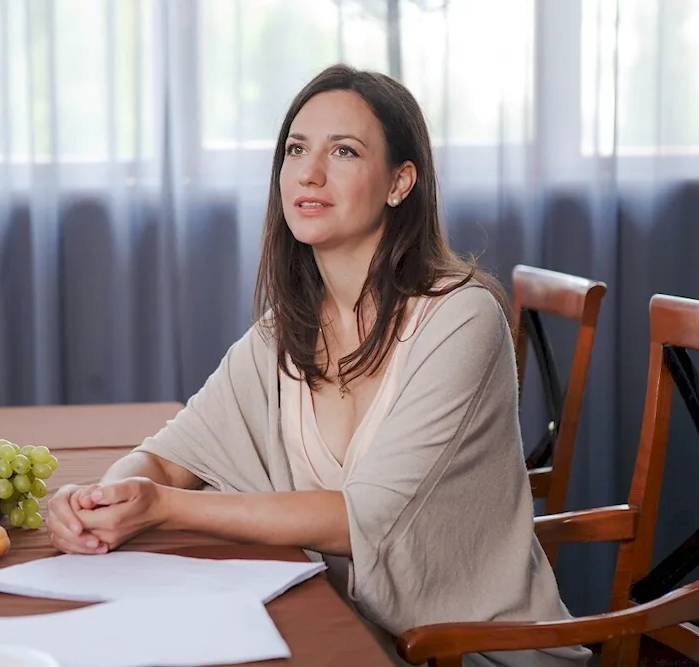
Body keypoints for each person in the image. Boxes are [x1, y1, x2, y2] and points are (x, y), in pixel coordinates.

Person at [46, 64, 591, 667]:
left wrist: (161, 506)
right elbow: (170, 457)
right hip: (346, 626)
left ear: (399, 182)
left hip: (469, 651)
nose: (309, 172)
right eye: (296, 149)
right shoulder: (288, 328)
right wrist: (105, 501)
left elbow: (362, 519)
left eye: (345, 151)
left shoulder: (461, 320)